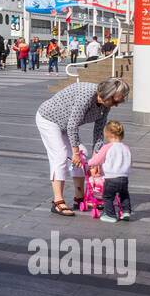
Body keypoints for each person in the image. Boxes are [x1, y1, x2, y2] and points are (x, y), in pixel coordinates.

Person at [35, 78, 130, 217]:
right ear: (107, 94)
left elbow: (99, 131)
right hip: (48, 120)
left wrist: (97, 159)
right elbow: (73, 125)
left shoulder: (105, 105)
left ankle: (79, 198)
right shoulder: (86, 94)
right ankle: (57, 202)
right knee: (60, 156)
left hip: (64, 125)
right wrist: (74, 153)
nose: (115, 105)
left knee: (83, 153)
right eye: (115, 101)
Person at [87, 119, 133, 222]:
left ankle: (110, 215)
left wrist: (88, 163)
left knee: (107, 197)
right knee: (124, 195)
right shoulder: (126, 147)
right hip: (124, 177)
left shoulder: (107, 147)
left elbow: (97, 160)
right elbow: (130, 162)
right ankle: (126, 212)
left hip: (111, 178)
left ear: (108, 134)